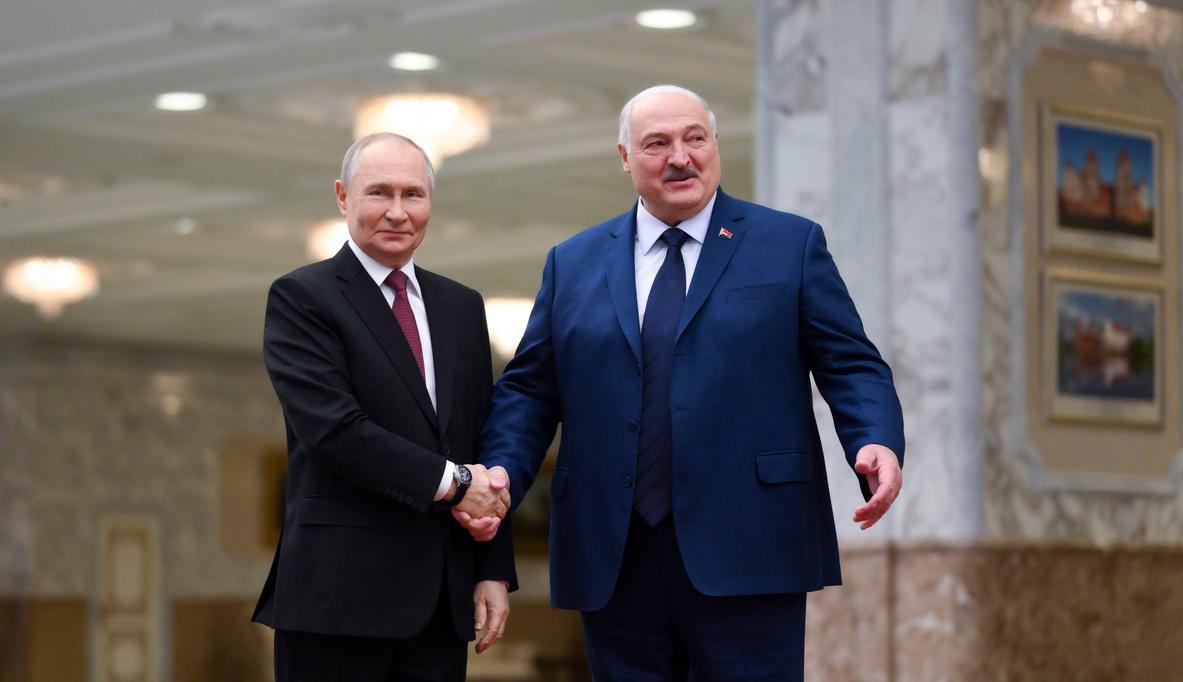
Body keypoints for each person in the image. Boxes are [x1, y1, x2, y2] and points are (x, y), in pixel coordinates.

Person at [456, 85, 905, 680]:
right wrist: (502, 474)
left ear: (715, 144)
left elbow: (850, 362)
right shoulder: (574, 261)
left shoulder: (788, 245)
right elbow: (531, 390)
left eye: (696, 138)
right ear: (624, 157)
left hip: (750, 539)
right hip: (614, 552)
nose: (681, 157)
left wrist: (873, 438)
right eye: (657, 144)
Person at [252, 132, 517, 682]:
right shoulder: (303, 297)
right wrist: (455, 482)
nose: (398, 212)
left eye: (413, 195)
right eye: (379, 193)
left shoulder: (461, 306)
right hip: (337, 601)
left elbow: (477, 439)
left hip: (441, 605)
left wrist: (492, 568)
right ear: (343, 197)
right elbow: (335, 431)